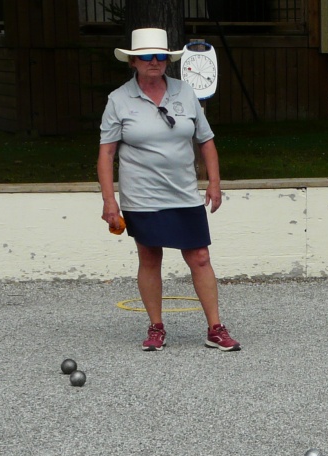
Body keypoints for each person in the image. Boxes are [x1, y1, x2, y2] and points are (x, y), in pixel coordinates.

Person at [97, 27, 239, 351]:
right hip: (141, 196)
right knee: (150, 257)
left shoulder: (185, 92)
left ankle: (215, 328)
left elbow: (206, 140)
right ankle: (156, 327)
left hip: (184, 192)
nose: (154, 61)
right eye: (147, 56)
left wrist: (214, 183)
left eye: (160, 56)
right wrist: (109, 201)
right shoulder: (118, 100)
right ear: (133, 61)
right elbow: (106, 153)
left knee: (200, 256)